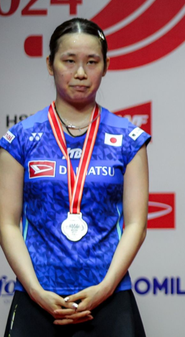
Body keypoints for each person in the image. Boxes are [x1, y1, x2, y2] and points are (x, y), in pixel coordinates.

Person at [0, 18, 150, 336]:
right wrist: (36, 291)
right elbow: (7, 224)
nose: (80, 73)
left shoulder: (128, 138)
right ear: (50, 64)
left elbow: (137, 223)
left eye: (91, 62)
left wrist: (106, 287)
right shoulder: (20, 138)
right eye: (69, 61)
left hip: (110, 297)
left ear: (105, 66)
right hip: (37, 296)